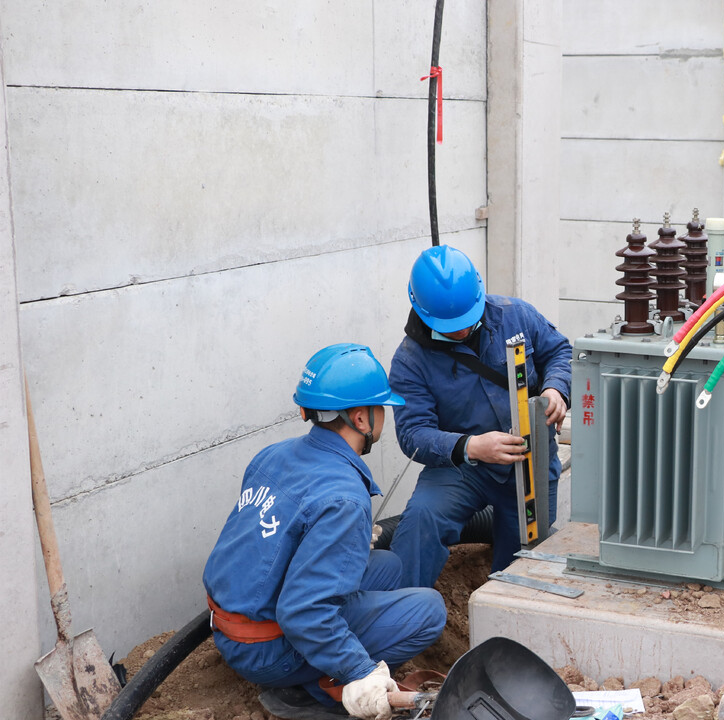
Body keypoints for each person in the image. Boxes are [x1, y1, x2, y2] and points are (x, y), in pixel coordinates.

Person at [204, 344, 446, 720]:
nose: (385, 416)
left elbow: (271, 541)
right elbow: (304, 611)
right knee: (429, 610)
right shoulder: (344, 496)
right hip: (267, 650)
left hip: (234, 626)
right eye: (381, 408)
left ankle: (318, 667)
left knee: (388, 566)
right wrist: (361, 671)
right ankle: (321, 691)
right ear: (361, 418)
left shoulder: (273, 455)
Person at [388, 245, 572, 588]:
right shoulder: (410, 361)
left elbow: (560, 351)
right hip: (463, 467)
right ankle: (402, 611)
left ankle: (503, 613)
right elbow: (413, 434)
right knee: (422, 520)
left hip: (529, 460)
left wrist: (556, 389)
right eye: (450, 326)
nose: (461, 331)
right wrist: (471, 446)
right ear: (421, 310)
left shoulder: (516, 316)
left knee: (522, 565)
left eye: (466, 321)